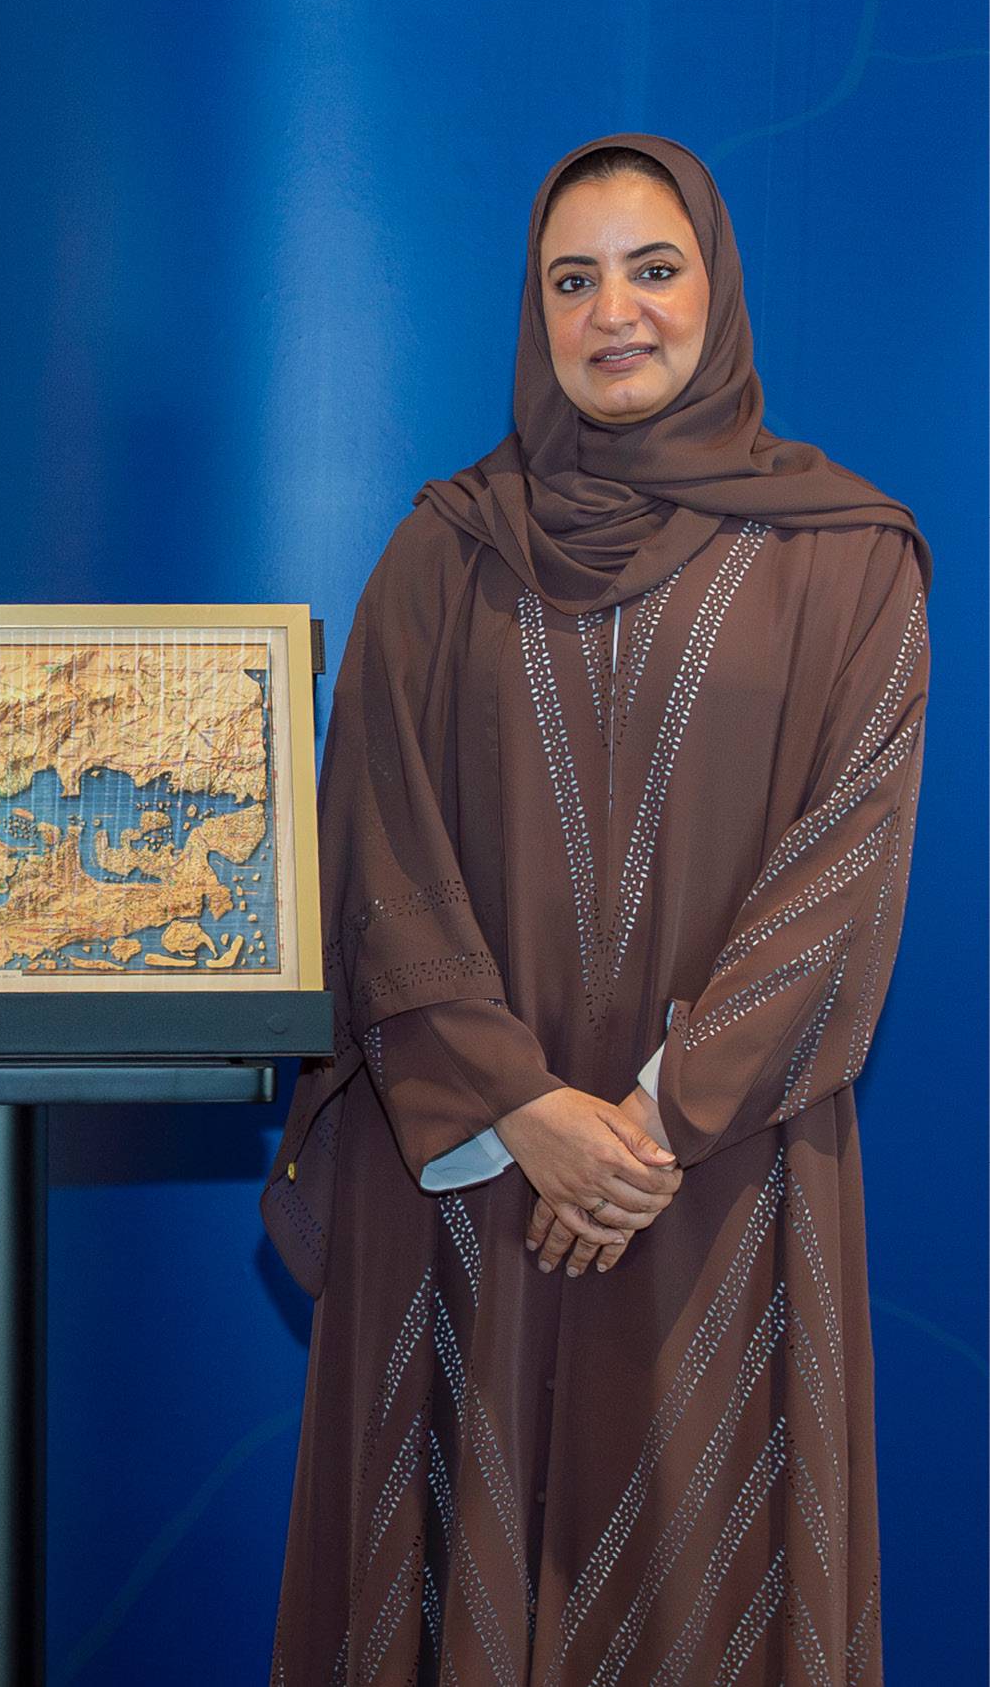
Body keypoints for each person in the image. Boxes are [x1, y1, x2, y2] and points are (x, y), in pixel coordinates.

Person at [266, 135, 925, 1683]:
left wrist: (641, 1127)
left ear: (716, 290)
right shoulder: (438, 557)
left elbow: (843, 872)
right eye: (572, 280)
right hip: (470, 1176)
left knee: (703, 1577)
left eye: (651, 269)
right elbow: (374, 853)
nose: (611, 313)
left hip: (718, 1171)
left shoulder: (849, 557)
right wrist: (520, 1107)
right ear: (534, 312)